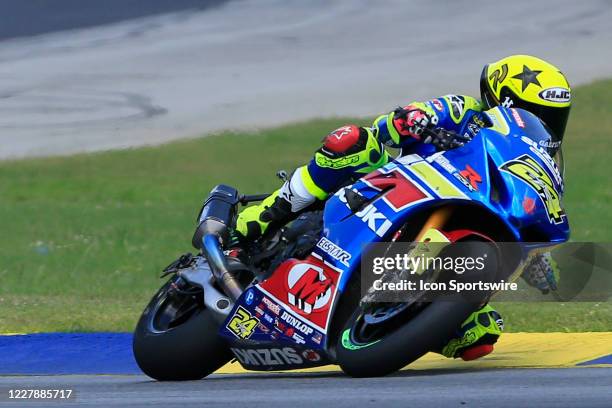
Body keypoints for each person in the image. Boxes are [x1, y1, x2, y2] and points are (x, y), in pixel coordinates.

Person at [234, 55, 571, 360]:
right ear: (505, 98)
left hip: (446, 228)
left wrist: (535, 258)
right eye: (540, 110)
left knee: (479, 335)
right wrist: (413, 120)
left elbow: (515, 212)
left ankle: (391, 323)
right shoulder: (465, 111)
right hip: (391, 192)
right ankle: (269, 212)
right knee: (353, 142)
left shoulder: (534, 164)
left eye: (556, 115)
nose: (547, 121)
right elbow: (389, 125)